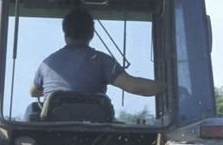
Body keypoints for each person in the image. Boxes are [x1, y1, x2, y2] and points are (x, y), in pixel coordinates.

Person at [30, 9, 164, 100]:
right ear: (91, 34)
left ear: (65, 33)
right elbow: (133, 86)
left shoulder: (48, 64)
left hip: (54, 129)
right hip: (94, 130)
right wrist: (166, 87)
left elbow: (33, 92)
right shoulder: (102, 61)